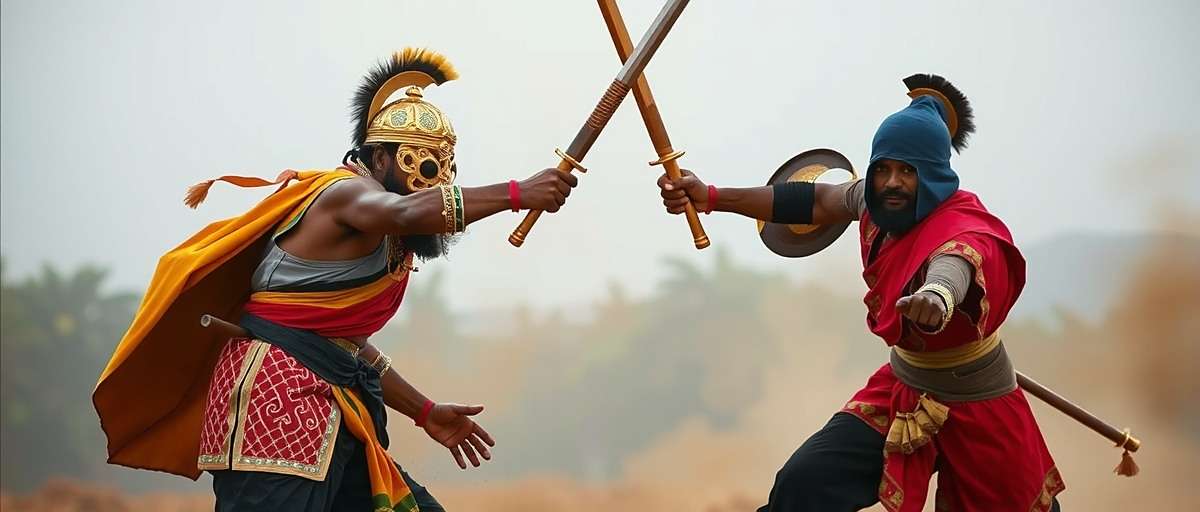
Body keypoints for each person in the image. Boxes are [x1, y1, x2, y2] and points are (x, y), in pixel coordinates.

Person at [94, 48, 576, 511]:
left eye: (441, 167)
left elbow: (347, 346)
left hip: (335, 403)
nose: (429, 180)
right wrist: (517, 192)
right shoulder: (347, 195)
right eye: (417, 164)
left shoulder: (387, 235)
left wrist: (425, 411)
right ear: (380, 158)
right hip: (275, 397)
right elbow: (408, 210)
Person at [656, 74, 1063, 511]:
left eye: (907, 171)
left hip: (977, 401)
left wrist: (937, 296)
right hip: (904, 385)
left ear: (934, 174)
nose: (891, 182)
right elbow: (815, 201)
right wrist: (713, 196)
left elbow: (956, 264)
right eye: (883, 168)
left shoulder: (963, 229)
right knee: (803, 484)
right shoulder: (873, 200)